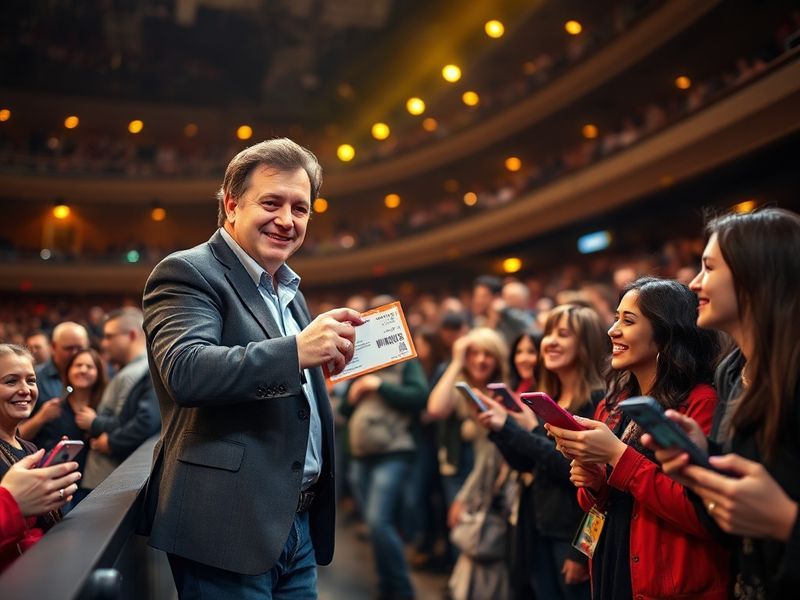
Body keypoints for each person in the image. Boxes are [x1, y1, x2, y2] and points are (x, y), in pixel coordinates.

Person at [140, 138, 363, 599]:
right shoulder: (187, 271)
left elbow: (281, 378)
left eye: (300, 208)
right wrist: (296, 351)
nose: (287, 220)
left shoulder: (291, 291)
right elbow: (185, 369)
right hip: (227, 527)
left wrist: (321, 366)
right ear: (231, 204)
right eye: (272, 202)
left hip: (294, 522)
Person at [649, 208, 800, 598]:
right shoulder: (731, 373)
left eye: (709, 268)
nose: (694, 283)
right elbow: (731, 523)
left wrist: (786, 522)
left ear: (754, 276)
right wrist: (702, 459)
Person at [548, 278, 729, 599]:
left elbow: (700, 513)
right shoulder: (612, 404)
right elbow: (602, 504)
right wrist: (592, 480)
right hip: (613, 562)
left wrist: (618, 456)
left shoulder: (700, 402)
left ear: (664, 333)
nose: (612, 330)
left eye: (627, 321)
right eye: (615, 318)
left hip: (669, 581)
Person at [476, 305, 607, 600]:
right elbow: (530, 462)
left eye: (563, 334)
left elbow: (574, 471)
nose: (550, 342)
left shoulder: (598, 401)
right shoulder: (551, 398)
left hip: (570, 536)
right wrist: (500, 429)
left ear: (586, 344)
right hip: (539, 527)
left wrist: (580, 552)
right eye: (549, 334)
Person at [339, 351, 428, 600]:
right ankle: (386, 585)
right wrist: (354, 395)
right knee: (373, 525)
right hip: (361, 454)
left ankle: (402, 589)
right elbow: (345, 409)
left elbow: (420, 397)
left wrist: (380, 386)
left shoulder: (405, 362)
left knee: (379, 522)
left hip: (394, 452)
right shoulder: (362, 362)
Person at [0, 344, 81, 572]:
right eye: (11, 381)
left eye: (31, 380)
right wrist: (13, 504)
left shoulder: (28, 447)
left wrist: (51, 497)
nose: (25, 389)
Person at [75, 308, 160, 499]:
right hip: (105, 475)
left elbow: (142, 421)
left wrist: (102, 432)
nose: (104, 343)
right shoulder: (132, 369)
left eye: (109, 336)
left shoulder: (142, 370)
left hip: (110, 477)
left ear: (131, 335)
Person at [23, 348, 107, 478]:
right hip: (56, 477)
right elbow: (21, 435)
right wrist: (41, 418)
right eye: (78, 365)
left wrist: (95, 423)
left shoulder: (105, 406)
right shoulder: (54, 406)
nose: (83, 370)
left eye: (89, 366)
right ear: (68, 371)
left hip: (94, 479)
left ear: (98, 373)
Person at [19, 322, 89, 442]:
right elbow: (14, 436)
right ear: (54, 347)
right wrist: (41, 418)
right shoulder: (35, 378)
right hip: (46, 456)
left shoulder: (91, 375)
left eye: (80, 348)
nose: (75, 353)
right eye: (68, 348)